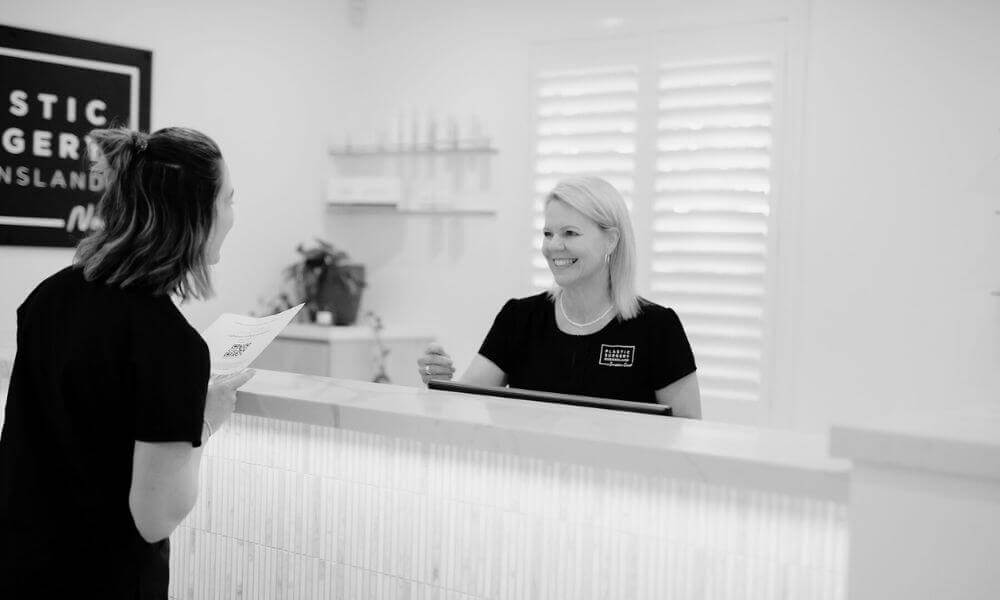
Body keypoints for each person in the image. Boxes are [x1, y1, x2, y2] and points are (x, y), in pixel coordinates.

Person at [0, 126, 253, 598]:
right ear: (196, 214)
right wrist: (204, 421)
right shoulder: (170, 343)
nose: (232, 217)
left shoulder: (48, 298)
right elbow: (155, 517)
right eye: (228, 200)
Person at [417, 176, 701, 418]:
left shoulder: (657, 328)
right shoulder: (519, 318)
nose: (554, 246)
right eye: (548, 233)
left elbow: (687, 435)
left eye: (570, 233)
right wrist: (440, 384)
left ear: (611, 240)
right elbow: (466, 404)